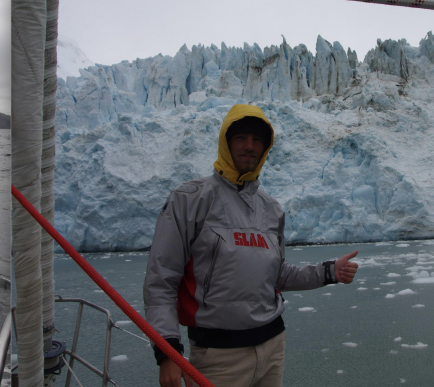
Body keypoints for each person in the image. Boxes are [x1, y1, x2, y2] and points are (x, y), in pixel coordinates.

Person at [143, 104, 359, 387]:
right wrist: (167, 352)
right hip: (218, 357)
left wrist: (329, 272)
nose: (249, 146)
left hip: (272, 348)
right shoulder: (190, 199)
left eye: (258, 139)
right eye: (241, 137)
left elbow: (277, 275)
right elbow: (161, 280)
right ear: (226, 142)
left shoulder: (271, 208)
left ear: (266, 148)